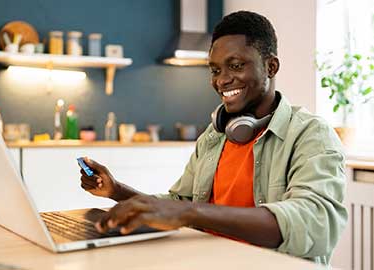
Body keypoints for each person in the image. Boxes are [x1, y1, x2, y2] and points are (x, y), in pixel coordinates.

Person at [79, 10, 347, 265]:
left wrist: (189, 213)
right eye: (216, 70)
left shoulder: (311, 134)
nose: (222, 80)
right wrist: (117, 191)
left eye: (236, 65)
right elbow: (179, 205)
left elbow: (315, 224)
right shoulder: (214, 136)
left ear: (271, 67)